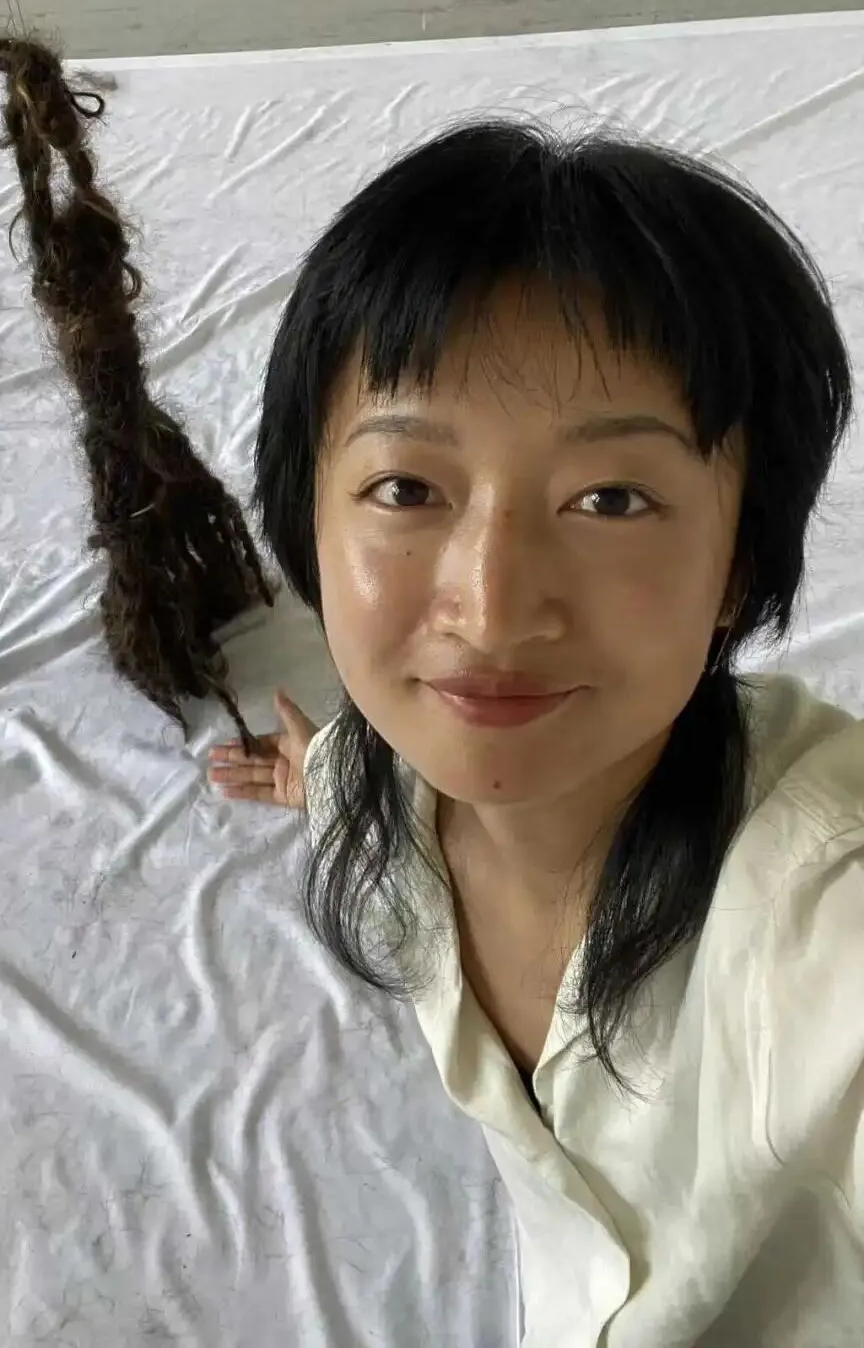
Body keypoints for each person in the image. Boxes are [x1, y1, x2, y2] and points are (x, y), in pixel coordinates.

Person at [208, 121, 864, 1346]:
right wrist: (315, 773)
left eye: (611, 499)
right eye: (408, 489)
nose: (494, 610)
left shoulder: (827, 919)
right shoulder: (389, 779)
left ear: (739, 561)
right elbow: (366, 768)